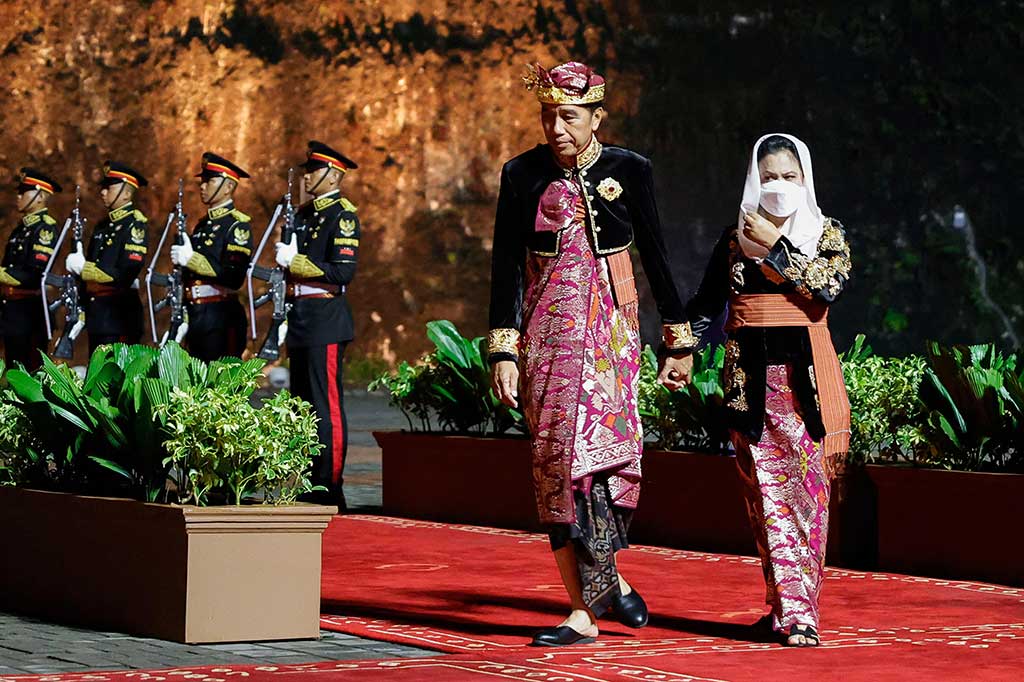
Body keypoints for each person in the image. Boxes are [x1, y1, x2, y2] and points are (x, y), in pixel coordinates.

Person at [488, 61, 691, 647]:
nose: (557, 128)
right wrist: (503, 351)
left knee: (601, 460)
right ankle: (585, 606)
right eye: (548, 116)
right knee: (555, 464)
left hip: (611, 341)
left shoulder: (629, 170)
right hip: (547, 341)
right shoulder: (521, 174)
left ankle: (605, 578)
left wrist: (677, 342)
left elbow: (654, 254)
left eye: (570, 117)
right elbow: (504, 268)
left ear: (598, 116)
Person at [676, 133, 852, 647]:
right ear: (755, 179)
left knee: (806, 498)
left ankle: (801, 614)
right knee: (764, 499)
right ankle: (784, 609)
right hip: (748, 387)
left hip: (806, 386)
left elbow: (825, 290)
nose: (779, 186)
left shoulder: (828, 234)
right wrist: (678, 348)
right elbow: (706, 303)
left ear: (806, 180)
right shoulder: (732, 240)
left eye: (789, 177)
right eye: (769, 177)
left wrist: (773, 251)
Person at [274, 140, 360, 511]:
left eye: (314, 170)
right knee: (301, 406)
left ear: (334, 175)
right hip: (299, 316)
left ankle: (329, 484)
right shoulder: (303, 214)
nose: (307, 176)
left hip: (325, 318)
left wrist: (297, 263)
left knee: (325, 407)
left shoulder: (342, 216)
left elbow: (343, 271)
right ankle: (304, 479)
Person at [169, 152, 253, 362]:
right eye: (203, 181)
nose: (203, 186)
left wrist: (192, 260)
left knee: (217, 386)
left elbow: (233, 276)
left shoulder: (236, 225)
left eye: (210, 180)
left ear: (228, 186)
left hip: (220, 316)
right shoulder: (202, 225)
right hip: (197, 313)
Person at [66, 162, 149, 354]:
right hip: (98, 316)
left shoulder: (134, 225)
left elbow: (126, 272)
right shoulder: (102, 227)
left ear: (127, 193)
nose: (103, 192)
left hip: (119, 316)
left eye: (108, 187)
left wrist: (84, 269)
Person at [1, 168, 62, 371]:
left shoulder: (44, 229)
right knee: (12, 370)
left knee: (30, 372)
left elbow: (35, 273)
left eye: (23, 192)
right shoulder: (22, 229)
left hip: (30, 313)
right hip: (12, 313)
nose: (18, 197)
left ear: (39, 196)